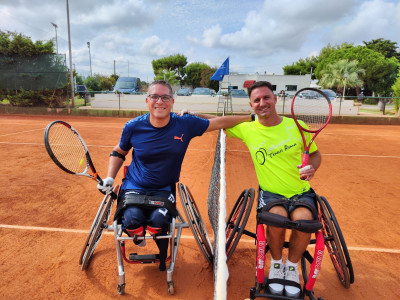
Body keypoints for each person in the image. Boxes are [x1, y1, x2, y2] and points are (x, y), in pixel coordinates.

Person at [97, 80, 253, 272]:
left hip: (163, 189)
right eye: (154, 96)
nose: (159, 101)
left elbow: (219, 122)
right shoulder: (133, 126)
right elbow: (119, 151)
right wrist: (110, 178)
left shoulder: (185, 124)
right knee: (130, 222)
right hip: (133, 187)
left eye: (165, 97)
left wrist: (251, 117)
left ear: (172, 102)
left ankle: (160, 252)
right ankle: (137, 238)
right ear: (147, 101)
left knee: (158, 224)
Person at [225, 81, 321, 297]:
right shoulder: (247, 129)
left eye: (266, 97)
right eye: (257, 100)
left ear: (275, 98)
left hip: (301, 192)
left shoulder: (297, 126)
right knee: (276, 218)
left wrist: (312, 167)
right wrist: (188, 116)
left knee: (304, 220)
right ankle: (277, 264)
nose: (262, 103)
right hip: (271, 193)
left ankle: (292, 268)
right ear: (251, 105)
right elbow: (215, 122)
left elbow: (315, 154)